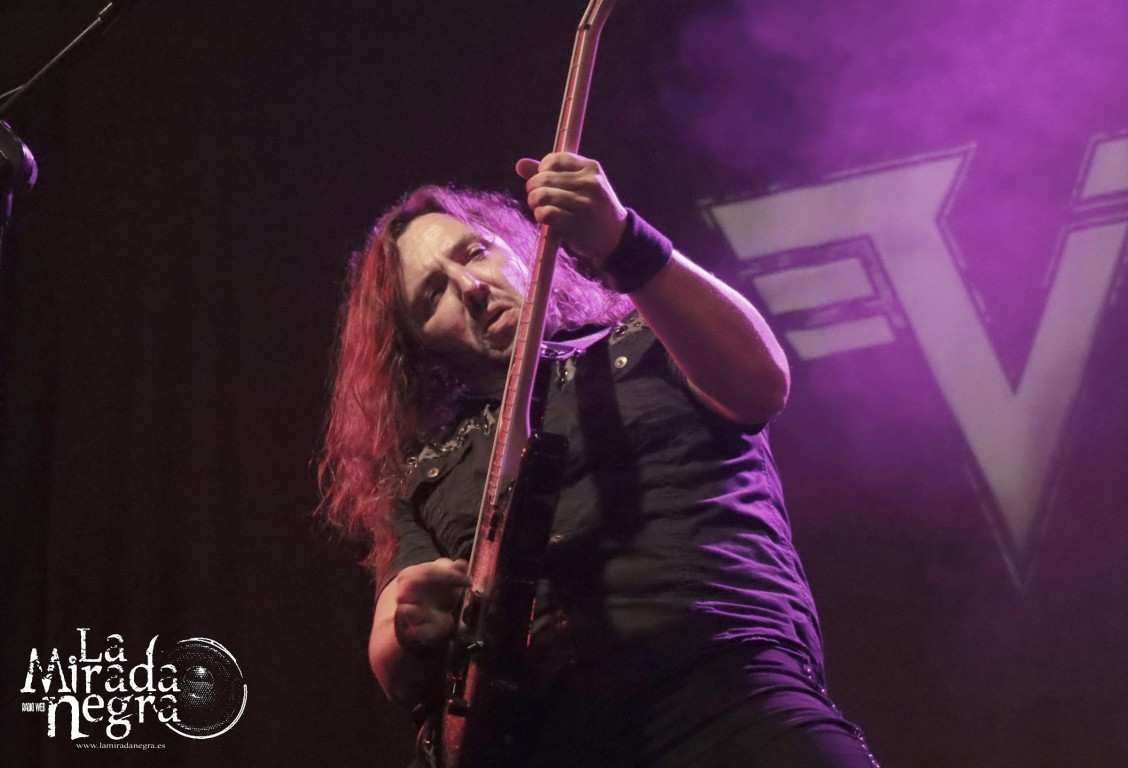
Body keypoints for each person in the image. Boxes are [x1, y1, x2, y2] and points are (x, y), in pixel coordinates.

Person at [319, 152, 878, 767]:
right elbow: (390, 652)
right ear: (419, 347)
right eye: (433, 294)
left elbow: (759, 383)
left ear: (519, 248)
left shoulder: (652, 336)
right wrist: (410, 626)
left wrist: (622, 238)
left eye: (475, 253)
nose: (470, 288)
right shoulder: (426, 471)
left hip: (732, 697)